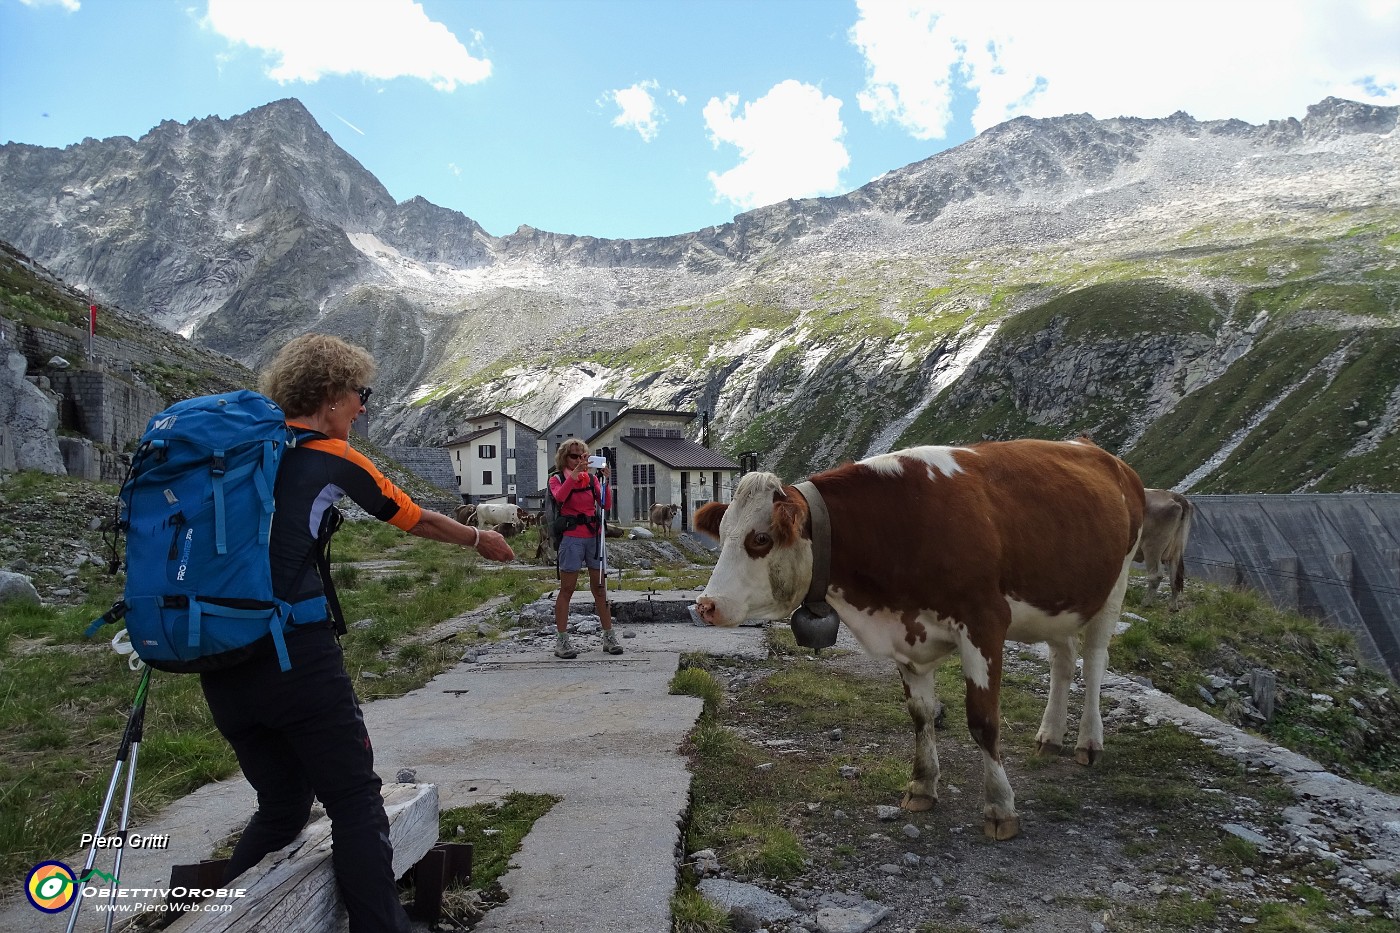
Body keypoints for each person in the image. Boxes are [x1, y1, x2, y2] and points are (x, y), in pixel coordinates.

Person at [199, 333, 515, 933]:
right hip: (296, 657)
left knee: (282, 807)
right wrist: (478, 538)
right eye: (359, 394)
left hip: (219, 660)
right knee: (355, 804)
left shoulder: (242, 452)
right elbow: (412, 516)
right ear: (328, 394)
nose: (363, 407)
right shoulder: (334, 456)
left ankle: (211, 921)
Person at [549, 438, 623, 658]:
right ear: (564, 458)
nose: (579, 459)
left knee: (600, 588)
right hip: (571, 538)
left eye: (583, 456)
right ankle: (562, 641)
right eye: (573, 456)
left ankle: (609, 636)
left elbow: (605, 504)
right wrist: (575, 474)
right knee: (567, 589)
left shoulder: (591, 480)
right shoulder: (556, 479)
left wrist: (606, 482)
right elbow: (560, 496)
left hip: (594, 536)